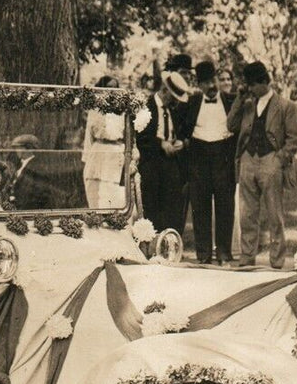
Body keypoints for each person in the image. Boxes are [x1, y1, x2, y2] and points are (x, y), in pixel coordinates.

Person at [228, 61, 297, 269]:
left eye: (251, 85)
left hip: (271, 160)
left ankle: (277, 260)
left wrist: (279, 159)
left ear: (263, 83)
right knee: (247, 213)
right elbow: (231, 125)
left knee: (274, 213)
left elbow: (295, 139)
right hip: (248, 160)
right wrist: (239, 99)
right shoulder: (248, 104)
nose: (249, 89)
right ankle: (247, 257)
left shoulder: (286, 106)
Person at [186, 61, 237, 264]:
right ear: (199, 84)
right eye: (205, 82)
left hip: (223, 157)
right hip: (199, 158)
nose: (211, 86)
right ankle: (204, 254)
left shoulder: (231, 101)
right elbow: (183, 129)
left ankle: (224, 252)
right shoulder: (191, 102)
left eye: (213, 80)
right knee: (200, 206)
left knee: (225, 205)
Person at [136, 59, 191, 234]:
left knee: (173, 207)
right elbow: (140, 137)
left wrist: (180, 142)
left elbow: (181, 130)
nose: (174, 102)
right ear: (165, 91)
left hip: (171, 165)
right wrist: (161, 144)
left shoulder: (173, 110)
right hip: (151, 164)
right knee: (152, 207)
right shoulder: (146, 107)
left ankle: (170, 244)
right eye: (172, 97)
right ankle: (153, 245)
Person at [81, 75, 127, 209]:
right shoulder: (95, 109)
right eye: (109, 87)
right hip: (99, 150)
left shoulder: (123, 110)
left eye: (115, 88)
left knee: (112, 193)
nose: (112, 91)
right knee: (95, 191)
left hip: (116, 151)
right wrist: (86, 158)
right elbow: (88, 136)